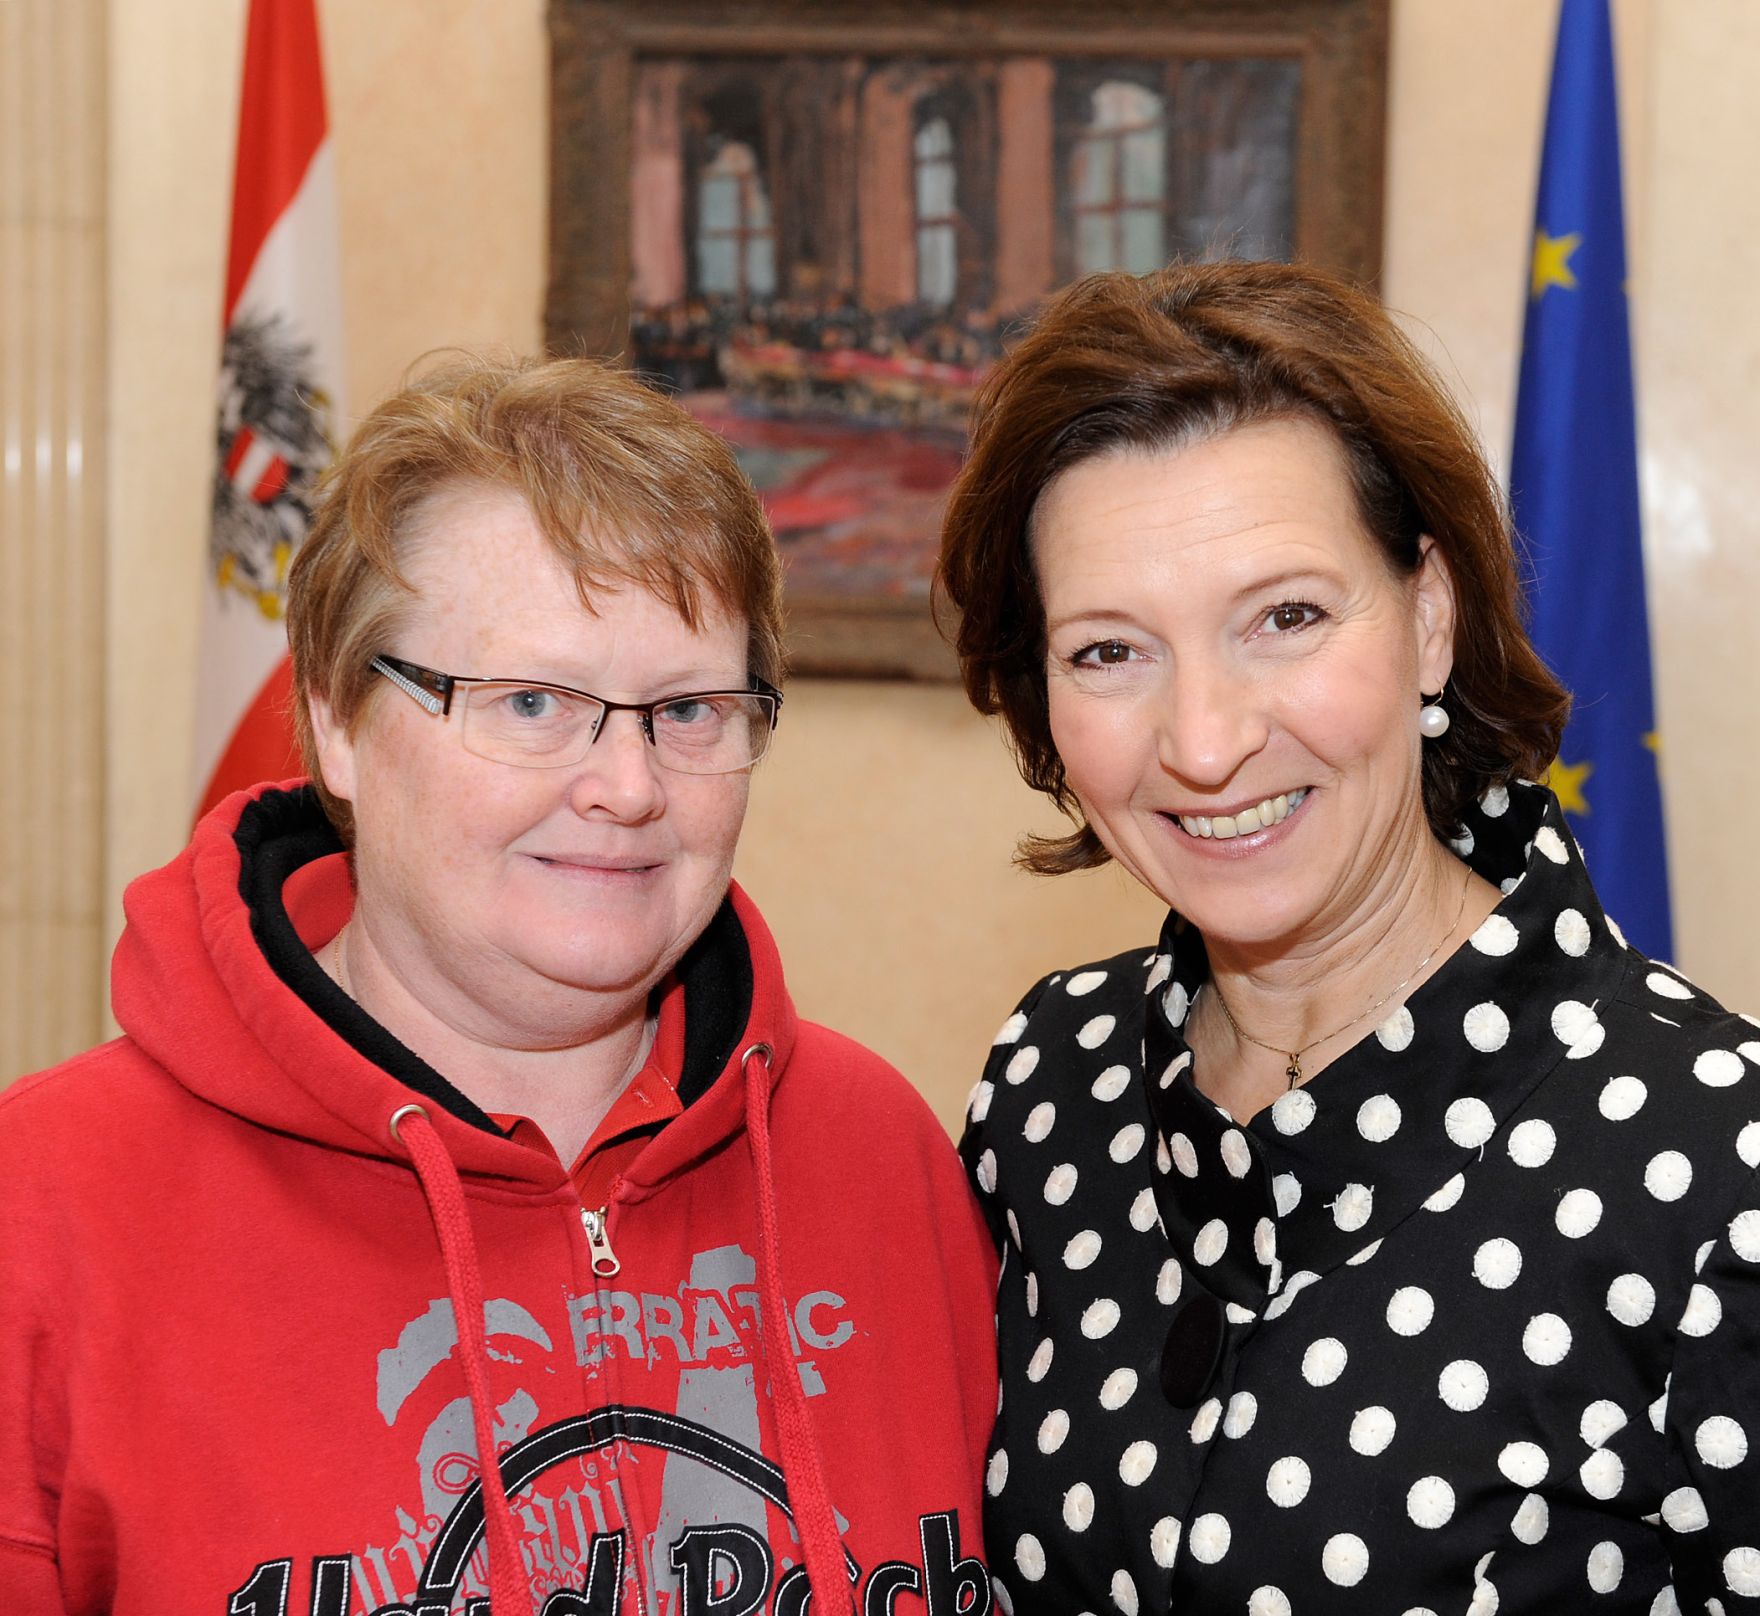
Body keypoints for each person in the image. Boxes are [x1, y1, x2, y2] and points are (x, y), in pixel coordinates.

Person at [0, 356, 998, 1615]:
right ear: (340, 719)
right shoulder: (45, 1206)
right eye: (530, 699)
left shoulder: (879, 1155)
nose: (627, 786)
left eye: (687, 709)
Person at [939, 260, 1760, 1615]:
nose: (1205, 742)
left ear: (1430, 616)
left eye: (1288, 618)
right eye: (1108, 652)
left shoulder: (1711, 1159)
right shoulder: (1051, 1076)